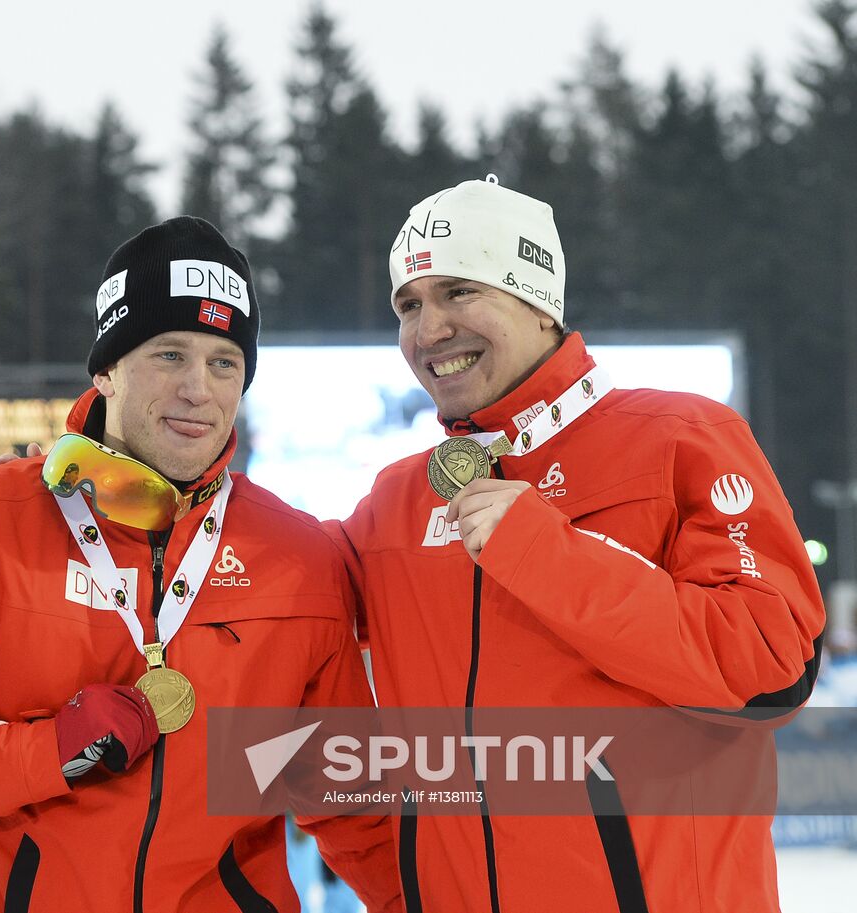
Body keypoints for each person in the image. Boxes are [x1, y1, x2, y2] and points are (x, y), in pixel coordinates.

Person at [0, 217, 400, 911]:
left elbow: (352, 807)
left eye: (224, 362)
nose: (198, 389)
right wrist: (48, 749)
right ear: (107, 367)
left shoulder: (296, 558)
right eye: (168, 354)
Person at [340, 175, 826, 912]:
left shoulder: (681, 439)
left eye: (459, 292)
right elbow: (267, 603)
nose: (427, 329)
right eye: (409, 304)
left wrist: (544, 553)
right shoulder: (396, 500)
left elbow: (769, 672)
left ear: (537, 300)